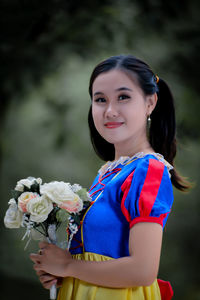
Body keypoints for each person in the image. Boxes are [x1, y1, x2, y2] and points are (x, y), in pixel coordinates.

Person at [30, 54, 189, 300]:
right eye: (100, 99)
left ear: (150, 102)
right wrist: (63, 273)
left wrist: (69, 267)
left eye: (123, 97)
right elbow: (104, 255)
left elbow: (143, 271)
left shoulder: (148, 171)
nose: (110, 110)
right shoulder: (110, 172)